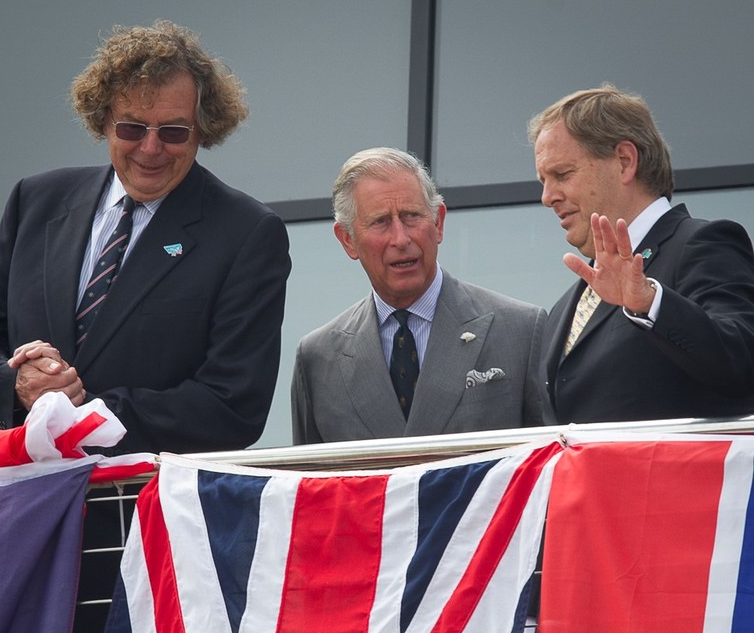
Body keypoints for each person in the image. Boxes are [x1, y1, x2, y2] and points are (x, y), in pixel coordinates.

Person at [0, 21, 290, 455]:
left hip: (147, 510)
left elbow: (233, 405)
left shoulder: (247, 233)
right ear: (103, 121)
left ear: (203, 130)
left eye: (173, 132)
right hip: (28, 504)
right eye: (133, 128)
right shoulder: (36, 201)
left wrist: (79, 415)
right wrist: (18, 383)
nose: (150, 149)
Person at [530, 84, 754, 424]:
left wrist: (651, 304)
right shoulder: (565, 307)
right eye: (543, 181)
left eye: (562, 174)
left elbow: (742, 362)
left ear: (624, 161)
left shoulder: (702, 243)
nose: (547, 197)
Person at [291, 148, 546, 444]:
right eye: (380, 222)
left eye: (412, 216)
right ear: (348, 240)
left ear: (438, 222)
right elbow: (312, 484)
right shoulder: (319, 358)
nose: (401, 238)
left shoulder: (520, 330)